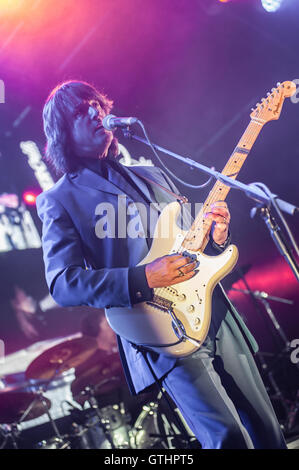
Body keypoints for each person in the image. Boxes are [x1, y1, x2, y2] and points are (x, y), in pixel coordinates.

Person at [36, 80, 287, 449]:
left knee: (268, 430)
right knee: (228, 438)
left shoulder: (152, 174)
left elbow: (193, 245)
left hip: (215, 313)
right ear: (62, 134)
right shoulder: (60, 199)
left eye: (96, 104)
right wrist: (144, 277)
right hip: (159, 328)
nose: (95, 113)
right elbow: (63, 283)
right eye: (80, 110)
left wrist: (218, 238)